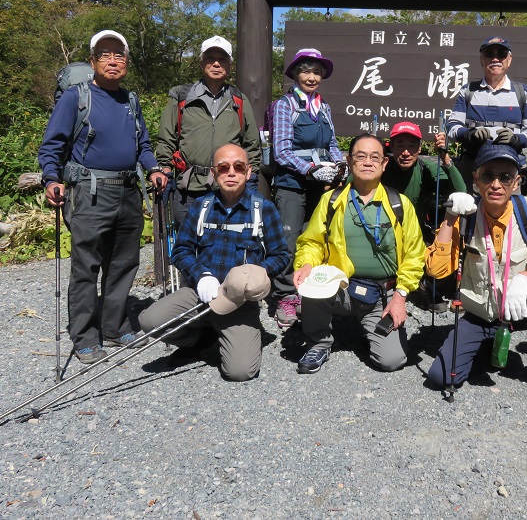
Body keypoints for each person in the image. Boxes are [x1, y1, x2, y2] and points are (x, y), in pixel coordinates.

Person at [39, 30, 168, 364]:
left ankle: (114, 326)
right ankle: (84, 336)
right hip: (89, 192)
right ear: (93, 61)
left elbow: (142, 144)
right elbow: (52, 144)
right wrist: (51, 178)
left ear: (126, 61)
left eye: (118, 54)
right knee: (87, 266)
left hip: (128, 191)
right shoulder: (76, 98)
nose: (113, 61)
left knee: (124, 263)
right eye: (105, 54)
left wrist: (153, 168)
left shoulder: (130, 100)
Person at [425, 142, 527, 401]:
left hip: (519, 308)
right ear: (475, 180)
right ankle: (487, 344)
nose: (496, 184)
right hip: (480, 314)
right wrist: (450, 216)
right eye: (488, 176)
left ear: (516, 182)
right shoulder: (465, 214)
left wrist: (526, 277)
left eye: (505, 177)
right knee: (440, 377)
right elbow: (436, 270)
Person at [139, 145, 289, 381]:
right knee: (150, 321)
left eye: (239, 167)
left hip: (238, 302)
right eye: (223, 167)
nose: (231, 173)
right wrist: (201, 275)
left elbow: (280, 255)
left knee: (240, 372)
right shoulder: (201, 206)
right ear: (213, 172)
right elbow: (181, 250)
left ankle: (235, 335)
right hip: (200, 293)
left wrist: (257, 274)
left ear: (248, 172)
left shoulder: (264, 209)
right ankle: (200, 341)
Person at [292, 134, 425, 374]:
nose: (367, 162)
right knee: (312, 280)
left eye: (375, 157)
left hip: (381, 293)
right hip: (340, 286)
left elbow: (415, 256)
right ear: (349, 161)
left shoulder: (400, 204)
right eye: (360, 156)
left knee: (391, 361)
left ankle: (369, 331)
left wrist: (400, 296)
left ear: (384, 164)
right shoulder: (331, 200)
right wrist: (306, 264)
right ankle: (318, 342)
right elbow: (312, 241)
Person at [268, 48, 346, 330]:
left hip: (319, 185)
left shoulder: (323, 107)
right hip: (291, 184)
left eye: (317, 72)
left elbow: (332, 144)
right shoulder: (284, 105)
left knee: (313, 239)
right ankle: (284, 296)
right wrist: (310, 170)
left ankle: (307, 291)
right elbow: (281, 151)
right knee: (289, 241)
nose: (312, 77)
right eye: (306, 71)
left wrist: (339, 164)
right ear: (295, 74)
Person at [156, 35, 262, 228]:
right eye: (210, 58)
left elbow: (251, 145)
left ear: (229, 65)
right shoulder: (181, 97)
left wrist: (251, 178)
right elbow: (166, 139)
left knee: (225, 241)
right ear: (201, 62)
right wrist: (165, 171)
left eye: (222, 59)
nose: (216, 64)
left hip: (228, 188)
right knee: (187, 241)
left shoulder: (239, 100)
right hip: (188, 188)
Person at [382, 121, 466, 312]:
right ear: (391, 146)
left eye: (412, 146)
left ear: (420, 148)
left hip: (417, 236)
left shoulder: (425, 168)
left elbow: (461, 191)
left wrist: (445, 157)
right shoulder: (381, 167)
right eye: (400, 145)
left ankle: (424, 285)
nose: (406, 152)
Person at [446, 37, 527, 186]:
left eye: (501, 54)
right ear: (481, 60)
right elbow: (451, 128)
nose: (495, 59)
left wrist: (515, 139)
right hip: (473, 170)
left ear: (509, 60)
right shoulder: (468, 90)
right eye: (489, 54)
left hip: (509, 172)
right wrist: (469, 134)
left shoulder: (522, 92)